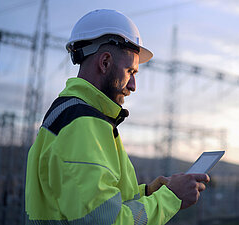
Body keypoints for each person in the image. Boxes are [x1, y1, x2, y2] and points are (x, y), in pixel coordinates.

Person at [25, 9, 210, 225]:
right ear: (105, 62)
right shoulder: (82, 124)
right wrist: (171, 198)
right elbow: (106, 221)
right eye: (130, 72)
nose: (133, 85)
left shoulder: (78, 116)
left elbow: (102, 204)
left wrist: (150, 192)